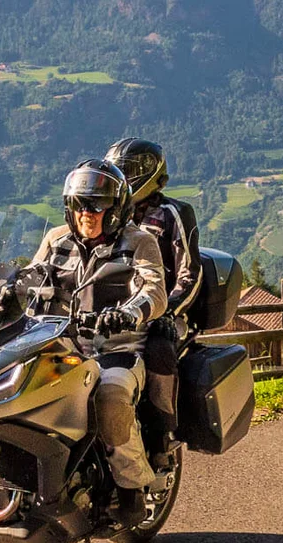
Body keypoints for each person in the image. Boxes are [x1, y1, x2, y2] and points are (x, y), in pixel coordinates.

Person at [30, 159, 169, 522]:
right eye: (79, 204)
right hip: (62, 347)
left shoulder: (140, 242)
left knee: (110, 396)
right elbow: (30, 279)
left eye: (97, 205)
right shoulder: (56, 240)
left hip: (117, 352)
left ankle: (131, 488)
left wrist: (129, 312)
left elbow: (155, 291)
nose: (87, 213)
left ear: (116, 208)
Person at [104, 138, 199, 444]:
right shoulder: (111, 213)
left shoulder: (173, 213)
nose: (123, 177)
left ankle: (162, 433)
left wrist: (168, 311)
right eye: (119, 170)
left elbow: (190, 273)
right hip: (116, 312)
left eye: (129, 170)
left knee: (159, 348)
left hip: (165, 312)